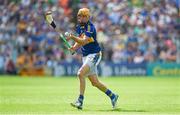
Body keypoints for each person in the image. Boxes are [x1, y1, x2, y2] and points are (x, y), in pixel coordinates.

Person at [66, 8, 119, 110]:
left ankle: (80, 101)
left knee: (80, 73)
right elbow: (80, 41)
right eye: (80, 16)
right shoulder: (79, 27)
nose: (81, 18)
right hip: (86, 56)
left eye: (84, 16)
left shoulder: (90, 27)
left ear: (87, 17)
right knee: (95, 82)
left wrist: (72, 37)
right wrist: (74, 48)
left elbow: (84, 41)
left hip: (95, 54)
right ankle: (113, 96)